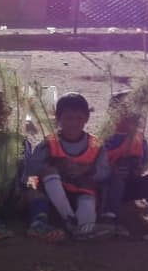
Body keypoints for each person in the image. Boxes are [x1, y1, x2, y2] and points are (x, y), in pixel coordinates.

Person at [0, 91, 65, 243]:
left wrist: (19, 188)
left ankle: (38, 225)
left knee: (37, 196)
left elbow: (25, 167)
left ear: (8, 112)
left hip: (13, 193)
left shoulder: (20, 140)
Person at [27, 91, 112, 240]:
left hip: (83, 192)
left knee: (86, 217)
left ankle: (78, 229)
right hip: (54, 193)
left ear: (87, 118)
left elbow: (104, 172)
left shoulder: (96, 144)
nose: (73, 123)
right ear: (58, 119)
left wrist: (87, 170)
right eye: (68, 118)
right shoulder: (50, 142)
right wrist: (55, 165)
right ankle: (69, 219)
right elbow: (31, 168)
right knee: (50, 171)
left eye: (79, 118)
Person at [99, 89, 148, 237]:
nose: (130, 116)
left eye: (134, 111)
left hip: (130, 185)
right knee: (116, 180)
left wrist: (138, 168)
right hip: (107, 187)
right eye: (124, 111)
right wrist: (113, 168)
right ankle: (110, 218)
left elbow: (144, 164)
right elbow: (97, 165)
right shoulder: (106, 138)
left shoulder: (140, 139)